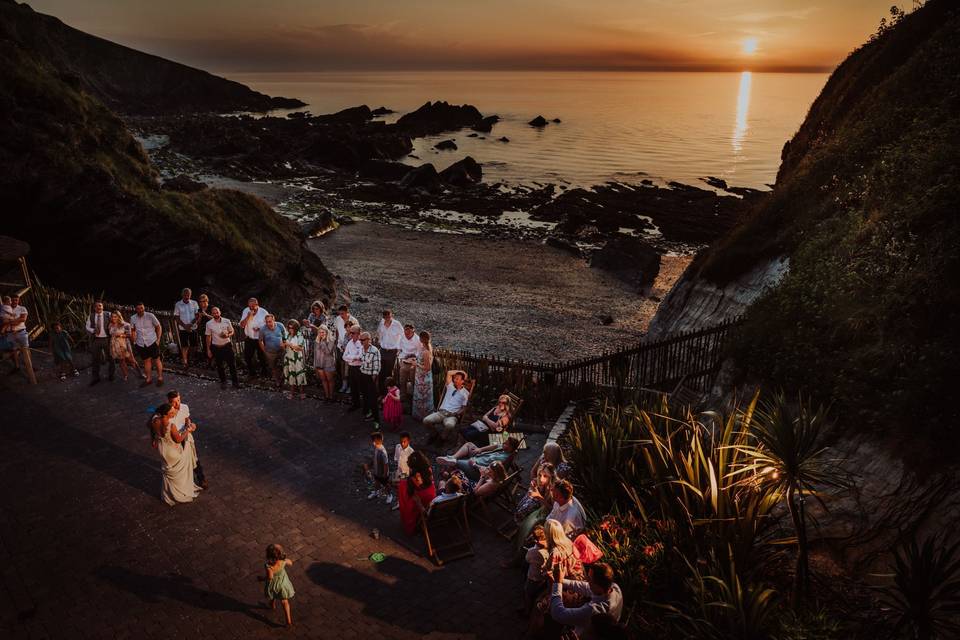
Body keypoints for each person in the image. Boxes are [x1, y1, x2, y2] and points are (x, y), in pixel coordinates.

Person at [549, 562, 623, 638]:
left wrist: (557, 583)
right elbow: (586, 587)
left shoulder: (593, 611)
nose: (587, 580)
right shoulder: (614, 588)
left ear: (598, 586)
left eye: (590, 578)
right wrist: (560, 580)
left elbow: (558, 614)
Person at [148, 403, 201, 506]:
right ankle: (181, 493)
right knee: (182, 470)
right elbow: (178, 440)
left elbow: (150, 427)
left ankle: (169, 493)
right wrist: (188, 430)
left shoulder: (154, 420)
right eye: (172, 412)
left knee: (168, 471)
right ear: (167, 414)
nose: (174, 413)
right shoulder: (170, 425)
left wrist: (153, 439)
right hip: (172, 452)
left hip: (162, 450)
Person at [167, 389, 207, 489]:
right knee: (180, 462)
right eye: (174, 402)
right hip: (174, 440)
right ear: (169, 402)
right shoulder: (167, 412)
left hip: (186, 436)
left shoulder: (184, 407)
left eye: (179, 400)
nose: (178, 404)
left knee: (194, 458)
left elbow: (186, 420)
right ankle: (184, 482)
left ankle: (201, 478)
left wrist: (190, 424)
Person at [436, 436, 520, 481]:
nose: (503, 443)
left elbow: (487, 471)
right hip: (478, 457)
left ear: (510, 447)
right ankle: (452, 457)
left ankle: (450, 475)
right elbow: (494, 446)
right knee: (469, 444)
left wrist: (474, 464)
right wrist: (480, 449)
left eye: (506, 443)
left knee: (456, 463)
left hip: (476, 470)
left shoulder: (502, 460)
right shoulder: (503, 448)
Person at [423, 369, 470, 444]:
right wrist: (462, 372)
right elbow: (449, 373)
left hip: (451, 415)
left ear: (462, 381)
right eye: (454, 378)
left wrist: (456, 414)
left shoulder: (465, 394)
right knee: (426, 420)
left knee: (450, 425)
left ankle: (442, 438)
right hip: (441, 413)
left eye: (457, 379)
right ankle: (434, 434)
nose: (454, 380)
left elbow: (464, 408)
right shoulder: (450, 386)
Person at [397, 451, 436, 535]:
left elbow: (412, 494)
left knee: (402, 486)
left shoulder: (414, 478)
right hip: (430, 497)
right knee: (403, 485)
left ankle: (407, 519)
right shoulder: (428, 469)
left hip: (420, 502)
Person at [129, 302, 163, 388]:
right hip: (140, 343)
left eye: (142, 308)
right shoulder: (133, 318)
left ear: (144, 308)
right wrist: (134, 341)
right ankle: (148, 379)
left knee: (157, 360)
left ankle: (160, 378)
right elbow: (132, 330)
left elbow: (158, 327)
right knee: (146, 361)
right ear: (136, 309)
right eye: (139, 308)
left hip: (152, 341)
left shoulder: (150, 316)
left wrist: (158, 340)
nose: (141, 310)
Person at [1, 294, 34, 383]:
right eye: (13, 300)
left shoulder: (22, 308)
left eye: (17, 300)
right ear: (10, 300)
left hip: (21, 332)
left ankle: (30, 366)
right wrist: (14, 321)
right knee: (13, 350)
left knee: (26, 349)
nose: (15, 302)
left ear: (18, 300)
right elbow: (4, 321)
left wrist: (10, 322)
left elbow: (23, 319)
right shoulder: (6, 308)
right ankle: (17, 367)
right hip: (10, 334)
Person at [205, 306, 238, 389]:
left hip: (227, 345)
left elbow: (232, 331)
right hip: (216, 347)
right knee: (220, 366)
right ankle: (223, 382)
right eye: (214, 313)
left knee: (232, 365)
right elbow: (208, 337)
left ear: (220, 312)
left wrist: (228, 335)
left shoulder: (227, 321)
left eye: (217, 312)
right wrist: (208, 349)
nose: (216, 314)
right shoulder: (209, 324)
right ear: (211, 314)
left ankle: (235, 382)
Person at [264, 543, 295, 627]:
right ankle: (288, 621)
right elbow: (291, 563)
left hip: (274, 584)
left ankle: (272, 604)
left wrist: (263, 578)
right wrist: (285, 560)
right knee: (285, 602)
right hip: (283, 584)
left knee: (273, 593)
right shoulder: (283, 561)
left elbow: (270, 577)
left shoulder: (268, 566)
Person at [85, 301, 115, 385]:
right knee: (95, 359)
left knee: (111, 358)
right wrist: (93, 330)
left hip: (107, 339)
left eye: (100, 306)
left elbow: (117, 321)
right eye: (97, 306)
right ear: (94, 308)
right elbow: (87, 327)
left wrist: (112, 327)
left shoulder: (108, 314)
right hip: (96, 340)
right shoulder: (91, 316)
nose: (99, 307)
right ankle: (96, 377)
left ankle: (111, 375)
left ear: (103, 307)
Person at [239, 298, 269, 379]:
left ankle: (264, 373)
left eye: (253, 306)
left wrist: (260, 329)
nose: (251, 308)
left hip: (261, 338)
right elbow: (241, 325)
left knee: (262, 357)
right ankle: (252, 373)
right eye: (249, 306)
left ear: (257, 304)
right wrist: (248, 316)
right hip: (250, 338)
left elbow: (269, 325)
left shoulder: (264, 312)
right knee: (247, 357)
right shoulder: (246, 311)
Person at [523, 524, 550, 614]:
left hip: (533, 576)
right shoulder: (550, 547)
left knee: (528, 593)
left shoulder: (533, 552)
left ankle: (527, 611)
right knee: (539, 593)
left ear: (536, 539)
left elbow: (527, 559)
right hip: (544, 577)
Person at [376, 309, 403, 389]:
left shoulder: (397, 324)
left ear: (391, 316)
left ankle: (388, 391)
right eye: (386, 317)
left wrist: (399, 347)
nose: (388, 319)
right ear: (384, 317)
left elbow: (402, 335)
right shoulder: (381, 323)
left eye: (390, 317)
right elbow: (379, 333)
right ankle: (381, 391)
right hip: (383, 350)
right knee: (381, 371)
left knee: (389, 372)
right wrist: (380, 342)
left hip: (392, 351)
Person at [333, 305, 358, 393]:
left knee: (350, 368)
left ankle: (351, 386)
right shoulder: (337, 319)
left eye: (342, 313)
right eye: (340, 314)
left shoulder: (354, 320)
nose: (341, 315)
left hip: (351, 350)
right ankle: (344, 385)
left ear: (347, 312)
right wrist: (336, 342)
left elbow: (357, 333)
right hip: (341, 347)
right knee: (342, 367)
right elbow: (336, 331)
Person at [259, 314, 287, 389]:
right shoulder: (263, 329)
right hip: (270, 352)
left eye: (270, 321)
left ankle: (284, 378)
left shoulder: (280, 326)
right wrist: (265, 351)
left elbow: (285, 336)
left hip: (282, 350)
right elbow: (260, 341)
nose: (268, 324)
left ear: (274, 320)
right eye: (267, 322)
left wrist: (284, 345)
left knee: (286, 365)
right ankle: (277, 381)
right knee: (273, 367)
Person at [108, 310, 138, 381]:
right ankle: (125, 375)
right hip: (115, 345)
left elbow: (129, 335)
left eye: (115, 317)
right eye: (112, 317)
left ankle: (140, 373)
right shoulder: (110, 325)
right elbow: (111, 334)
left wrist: (120, 335)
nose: (113, 318)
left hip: (124, 344)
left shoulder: (125, 324)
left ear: (119, 317)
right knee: (121, 361)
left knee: (131, 360)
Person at [173, 287, 199, 369]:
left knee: (194, 345)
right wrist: (185, 326)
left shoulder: (194, 303)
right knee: (184, 346)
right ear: (182, 295)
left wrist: (190, 324)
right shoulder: (178, 304)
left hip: (193, 327)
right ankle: (185, 361)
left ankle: (190, 358)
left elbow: (197, 315)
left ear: (190, 295)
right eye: (185, 294)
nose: (187, 296)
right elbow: (177, 317)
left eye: (188, 295)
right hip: (183, 329)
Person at [359, 332, 381, 424]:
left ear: (368, 340)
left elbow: (377, 366)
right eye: (360, 340)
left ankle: (377, 420)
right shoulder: (362, 349)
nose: (361, 342)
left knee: (372, 399)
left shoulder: (374, 351)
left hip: (370, 377)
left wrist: (374, 377)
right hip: (363, 375)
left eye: (363, 340)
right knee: (365, 396)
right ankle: (368, 413)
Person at [411, 330, 434, 421]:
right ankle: (422, 415)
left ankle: (423, 416)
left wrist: (416, 364)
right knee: (421, 397)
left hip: (423, 379)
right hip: (421, 377)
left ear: (421, 339)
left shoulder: (426, 352)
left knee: (422, 398)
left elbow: (427, 367)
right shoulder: (426, 349)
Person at [397, 323, 421, 407]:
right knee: (402, 381)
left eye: (408, 333)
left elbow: (419, 352)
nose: (406, 335)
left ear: (413, 331)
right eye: (405, 332)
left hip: (413, 363)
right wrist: (401, 355)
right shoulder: (402, 337)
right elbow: (399, 348)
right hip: (403, 361)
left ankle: (414, 400)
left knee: (413, 382)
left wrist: (413, 356)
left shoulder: (417, 339)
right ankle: (403, 398)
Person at [283, 319, 307, 400]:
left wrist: (290, 344)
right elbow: (283, 345)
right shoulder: (287, 335)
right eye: (289, 327)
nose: (290, 329)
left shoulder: (299, 335)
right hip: (289, 357)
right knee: (291, 375)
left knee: (299, 374)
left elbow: (300, 348)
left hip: (297, 358)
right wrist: (283, 344)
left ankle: (302, 393)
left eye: (292, 328)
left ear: (296, 328)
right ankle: (292, 393)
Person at [313, 325, 337, 401]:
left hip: (328, 363)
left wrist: (323, 342)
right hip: (319, 364)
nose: (321, 334)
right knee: (323, 380)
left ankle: (331, 396)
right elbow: (315, 354)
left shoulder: (331, 340)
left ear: (326, 332)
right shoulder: (317, 340)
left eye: (323, 332)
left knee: (330, 380)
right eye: (319, 332)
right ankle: (327, 396)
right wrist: (315, 365)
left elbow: (328, 352)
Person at [342, 326, 364, 410]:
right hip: (351, 367)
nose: (350, 334)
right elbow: (344, 356)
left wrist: (351, 357)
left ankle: (365, 406)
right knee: (353, 387)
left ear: (359, 334)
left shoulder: (361, 343)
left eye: (353, 333)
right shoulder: (349, 343)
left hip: (359, 368)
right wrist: (353, 358)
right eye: (350, 332)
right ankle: (355, 404)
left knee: (361, 387)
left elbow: (361, 356)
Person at [368, 431, 392, 504]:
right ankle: (376, 492)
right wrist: (371, 465)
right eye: (373, 440)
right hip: (376, 471)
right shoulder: (376, 448)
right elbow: (374, 458)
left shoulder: (382, 451)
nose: (374, 442)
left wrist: (385, 474)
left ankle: (389, 495)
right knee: (376, 482)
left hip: (382, 472)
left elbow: (386, 464)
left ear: (380, 440)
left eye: (375, 440)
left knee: (386, 484)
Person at [392, 431, 414, 511]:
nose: (402, 443)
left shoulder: (411, 452)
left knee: (403, 489)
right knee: (397, 486)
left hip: (406, 474)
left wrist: (407, 476)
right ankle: (400, 502)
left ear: (409, 441)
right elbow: (396, 459)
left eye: (404, 441)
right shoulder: (397, 447)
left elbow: (412, 468)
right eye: (401, 441)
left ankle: (404, 504)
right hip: (399, 470)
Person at [195, 293, 213, 363]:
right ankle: (208, 361)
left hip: (212, 330)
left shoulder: (211, 308)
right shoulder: (199, 310)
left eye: (203, 301)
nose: (202, 303)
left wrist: (206, 315)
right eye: (200, 301)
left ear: (206, 301)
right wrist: (200, 317)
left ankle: (214, 361)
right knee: (205, 346)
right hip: (203, 330)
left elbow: (215, 318)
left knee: (212, 346)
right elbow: (198, 322)